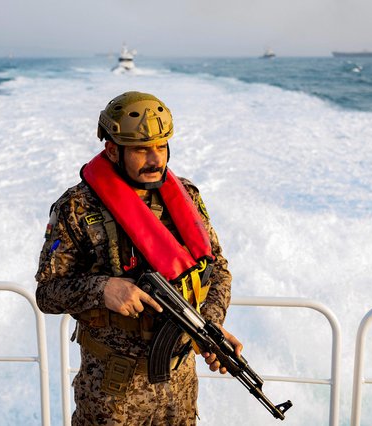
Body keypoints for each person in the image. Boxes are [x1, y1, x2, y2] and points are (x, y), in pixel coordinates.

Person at [35, 91, 242, 425]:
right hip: (112, 391)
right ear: (113, 149)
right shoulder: (76, 207)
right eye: (142, 149)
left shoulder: (186, 196)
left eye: (161, 147)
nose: (155, 159)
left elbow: (216, 268)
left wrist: (210, 325)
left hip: (179, 387)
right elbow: (47, 293)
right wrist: (103, 289)